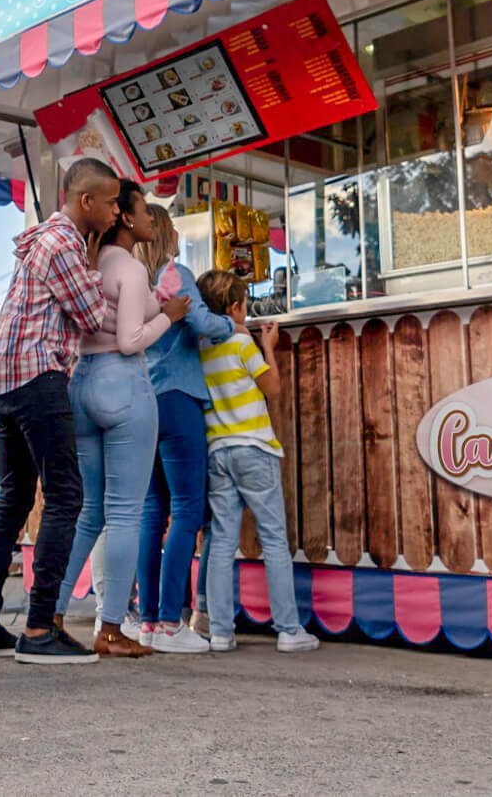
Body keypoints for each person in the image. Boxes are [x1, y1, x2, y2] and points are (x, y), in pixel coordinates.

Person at [0, 157, 119, 665]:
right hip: (36, 374)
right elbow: (94, 317)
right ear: (86, 202)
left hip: (2, 379)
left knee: (12, 499)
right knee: (66, 495)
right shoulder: (64, 246)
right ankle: (38, 628)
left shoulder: (42, 239)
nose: (116, 212)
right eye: (112, 202)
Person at [51, 181, 190, 658]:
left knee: (89, 512)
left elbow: (128, 310)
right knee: (126, 511)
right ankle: (111, 627)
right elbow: (131, 338)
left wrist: (161, 299)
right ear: (128, 220)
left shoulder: (97, 262)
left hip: (83, 383)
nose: (153, 218)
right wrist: (169, 316)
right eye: (145, 211)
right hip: (123, 383)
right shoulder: (129, 266)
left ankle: (49, 612)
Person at [195, 271, 320, 654]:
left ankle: (219, 631)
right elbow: (272, 388)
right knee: (272, 538)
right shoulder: (240, 341)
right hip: (254, 448)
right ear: (234, 308)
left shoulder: (200, 347)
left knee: (221, 544)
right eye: (245, 306)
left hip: (218, 451)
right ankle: (288, 629)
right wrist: (269, 346)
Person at [132, 202, 233, 655]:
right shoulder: (175, 273)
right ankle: (172, 620)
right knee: (189, 510)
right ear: (166, 233)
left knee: (152, 512)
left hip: (142, 401)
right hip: (178, 398)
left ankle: (148, 619)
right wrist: (233, 322)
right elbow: (204, 323)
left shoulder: (133, 279)